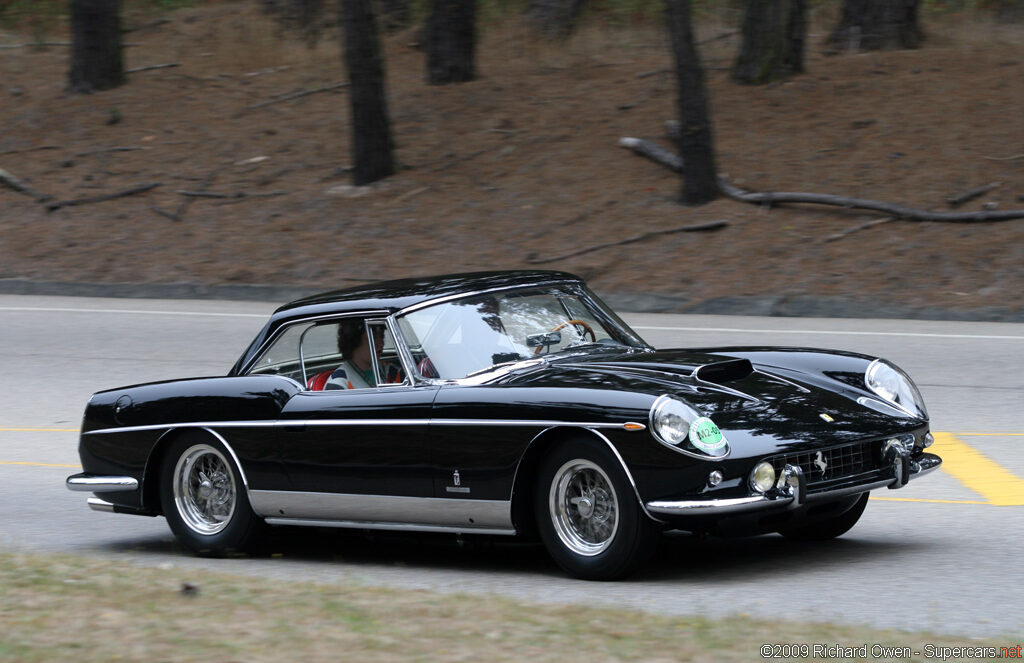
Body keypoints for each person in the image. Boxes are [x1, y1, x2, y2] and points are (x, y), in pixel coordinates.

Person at [322, 320, 401, 390]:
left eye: (382, 336)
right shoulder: (338, 384)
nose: (381, 343)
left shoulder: (390, 371)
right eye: (372, 337)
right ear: (354, 339)